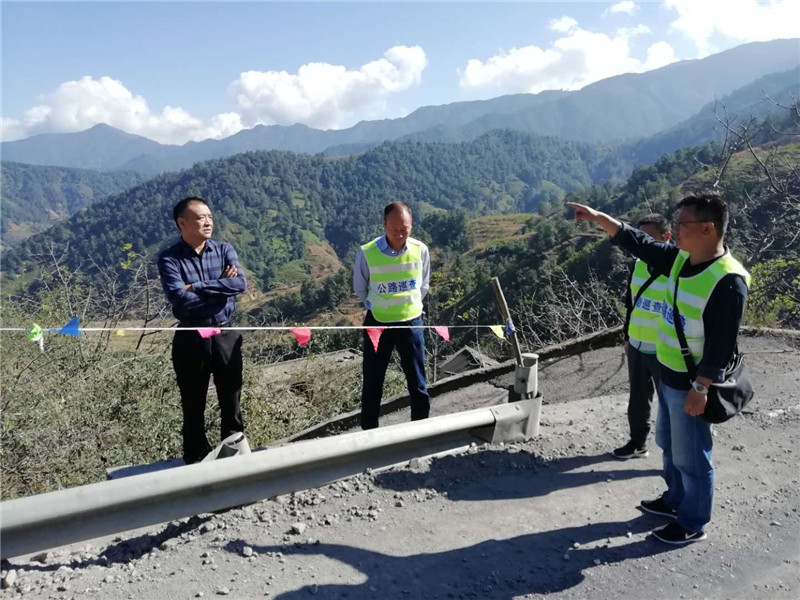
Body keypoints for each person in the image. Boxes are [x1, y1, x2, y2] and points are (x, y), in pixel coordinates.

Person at [568, 192, 750, 545]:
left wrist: (701, 388)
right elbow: (639, 243)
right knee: (669, 443)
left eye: (683, 224)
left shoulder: (728, 280)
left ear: (707, 228)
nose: (676, 230)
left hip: (691, 382)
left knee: (692, 455)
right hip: (669, 373)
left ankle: (693, 522)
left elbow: (721, 344)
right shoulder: (681, 260)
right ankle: (674, 500)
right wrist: (598, 218)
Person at [158, 197, 248, 465]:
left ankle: (235, 458)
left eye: (210, 216)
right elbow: (179, 298)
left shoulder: (223, 249)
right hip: (191, 336)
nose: (208, 222)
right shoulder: (169, 258)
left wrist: (196, 286)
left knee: (231, 399)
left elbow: (240, 284)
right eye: (200, 218)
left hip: (225, 333)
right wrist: (221, 287)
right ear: (182, 223)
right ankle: (196, 461)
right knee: (193, 402)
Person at [353, 202, 431, 429]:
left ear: (411, 225)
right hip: (378, 324)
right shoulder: (367, 252)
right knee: (372, 381)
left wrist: (408, 305)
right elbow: (360, 288)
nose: (399, 233)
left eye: (404, 228)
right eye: (394, 228)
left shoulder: (420, 250)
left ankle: (421, 430)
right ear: (384, 224)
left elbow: (423, 285)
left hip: (411, 322)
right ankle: (369, 434)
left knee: (417, 381)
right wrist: (379, 306)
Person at [613, 214, 672, 460]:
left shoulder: (677, 268)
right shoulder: (638, 265)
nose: (643, 244)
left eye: (648, 238)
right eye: (640, 237)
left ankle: (675, 455)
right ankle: (637, 443)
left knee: (670, 404)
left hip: (664, 348)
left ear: (666, 237)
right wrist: (627, 336)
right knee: (637, 399)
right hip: (637, 343)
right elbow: (632, 302)